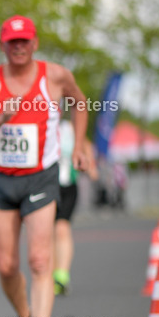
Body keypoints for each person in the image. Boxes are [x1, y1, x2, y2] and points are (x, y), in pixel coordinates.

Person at [0, 15, 89, 317]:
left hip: (40, 178)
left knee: (39, 260)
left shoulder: (56, 75)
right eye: (11, 42)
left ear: (34, 44)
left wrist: (79, 145)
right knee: (7, 266)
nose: (18, 47)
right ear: (3, 46)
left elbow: (80, 103)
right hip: (0, 180)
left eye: (25, 41)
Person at [53, 118, 97, 296]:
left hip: (68, 186)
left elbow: (86, 145)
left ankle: (62, 275)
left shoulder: (69, 127)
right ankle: (48, 274)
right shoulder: (40, 122)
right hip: (45, 186)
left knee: (62, 228)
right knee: (46, 232)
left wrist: (90, 165)